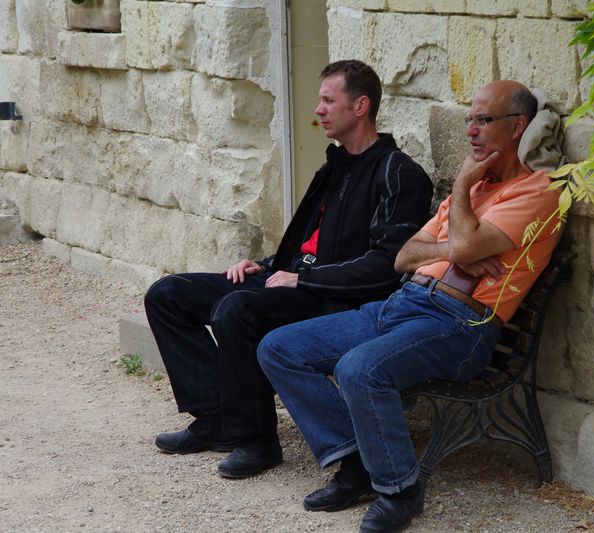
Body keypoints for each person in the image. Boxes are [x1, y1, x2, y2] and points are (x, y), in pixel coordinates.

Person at [257, 80, 562, 533]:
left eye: (483, 120)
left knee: (359, 369)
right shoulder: (470, 194)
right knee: (278, 348)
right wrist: (454, 251)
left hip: (461, 324)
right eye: (470, 119)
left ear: (517, 126)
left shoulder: (538, 191)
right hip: (402, 303)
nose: (471, 130)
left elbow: (463, 244)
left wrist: (462, 187)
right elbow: (404, 256)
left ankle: (399, 491)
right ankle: (358, 463)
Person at [143, 60, 432, 479]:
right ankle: (215, 418)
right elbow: (308, 242)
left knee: (237, 311)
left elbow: (387, 266)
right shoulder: (335, 166)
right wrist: (264, 266)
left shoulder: (399, 174)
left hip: (334, 298)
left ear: (360, 106)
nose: (318, 110)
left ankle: (257, 441)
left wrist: (304, 278)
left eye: (328, 100)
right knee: (167, 295)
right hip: (295, 279)